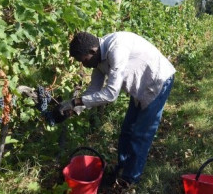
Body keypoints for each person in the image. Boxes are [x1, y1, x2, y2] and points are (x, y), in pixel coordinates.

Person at [59, 31, 176, 185]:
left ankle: (129, 181)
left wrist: (76, 102)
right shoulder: (98, 58)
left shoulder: (116, 49)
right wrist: (75, 108)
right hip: (141, 85)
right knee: (127, 131)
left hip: (158, 80)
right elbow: (93, 90)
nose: (84, 65)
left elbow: (111, 94)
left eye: (84, 60)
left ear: (92, 51)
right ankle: (122, 170)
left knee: (140, 135)